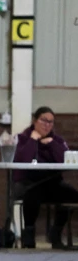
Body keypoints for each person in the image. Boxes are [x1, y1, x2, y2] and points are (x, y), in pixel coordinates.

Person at [13, 106, 78, 248]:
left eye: (50, 122)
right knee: (32, 195)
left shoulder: (57, 140)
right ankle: (29, 234)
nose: (47, 125)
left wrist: (52, 144)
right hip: (29, 183)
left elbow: (64, 160)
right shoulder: (22, 138)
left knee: (72, 195)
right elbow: (23, 160)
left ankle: (56, 232)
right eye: (44, 121)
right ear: (35, 121)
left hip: (52, 183)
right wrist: (33, 141)